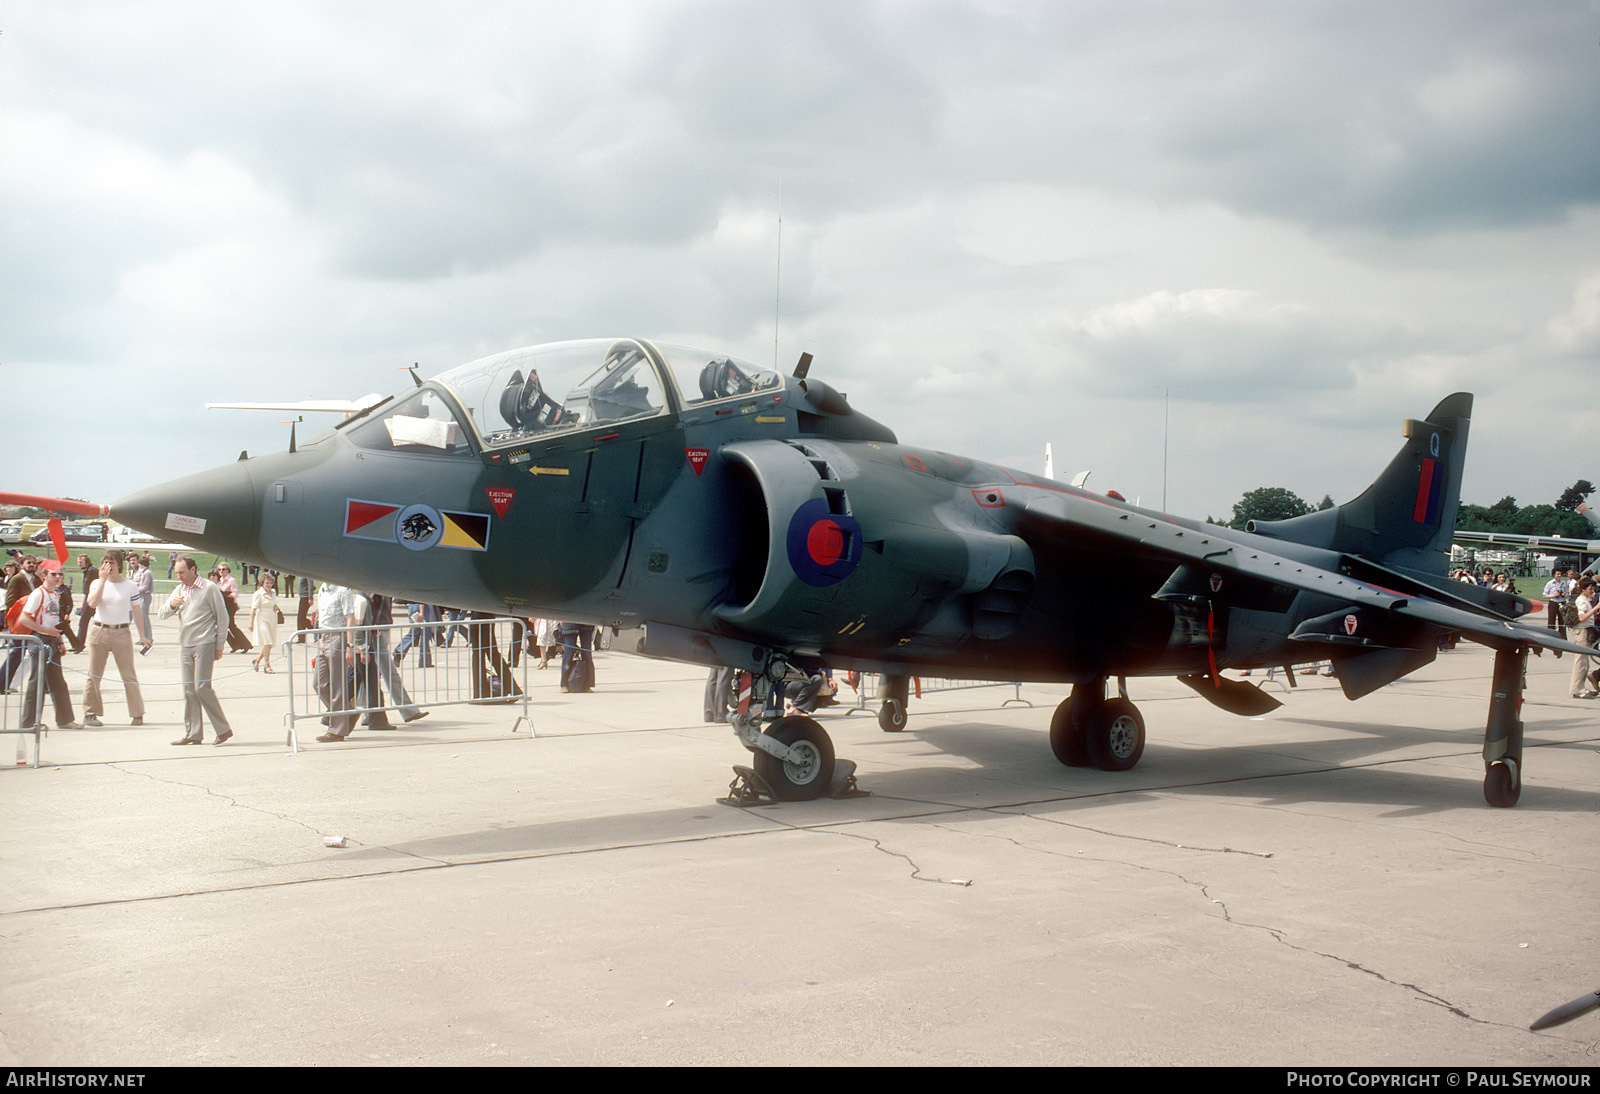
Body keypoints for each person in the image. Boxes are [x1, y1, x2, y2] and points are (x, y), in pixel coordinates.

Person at [159, 556, 234, 745]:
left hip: (205, 643)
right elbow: (162, 614)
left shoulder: (209, 588)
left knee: (201, 687)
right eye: (177, 573)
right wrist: (172, 605)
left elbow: (222, 618)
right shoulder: (180, 590)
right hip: (186, 644)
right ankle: (193, 733)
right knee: (189, 690)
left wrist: (219, 646)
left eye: (182, 572)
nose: (179, 576)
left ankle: (223, 729)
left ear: (193, 570)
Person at [81, 549, 145, 727]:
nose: (108, 565)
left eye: (112, 562)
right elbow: (92, 603)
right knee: (93, 674)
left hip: (121, 632)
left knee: (128, 674)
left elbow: (137, 611)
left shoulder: (130, 585)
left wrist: (143, 635)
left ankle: (137, 713)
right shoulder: (96, 583)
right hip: (99, 630)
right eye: (105, 561)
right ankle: (90, 712)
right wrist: (102, 579)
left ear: (119, 564)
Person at [16, 561, 83, 731]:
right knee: (36, 683)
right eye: (54, 574)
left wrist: (59, 640)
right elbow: (24, 619)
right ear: (44, 576)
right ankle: (28, 723)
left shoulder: (54, 595)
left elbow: (55, 620)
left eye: (60, 574)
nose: (58, 577)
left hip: (52, 641)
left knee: (58, 682)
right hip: (40, 641)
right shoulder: (38, 594)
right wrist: (45, 631)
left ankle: (65, 720)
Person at [357, 591, 427, 728]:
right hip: (378, 630)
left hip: (380, 628)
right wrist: (374, 627)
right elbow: (371, 606)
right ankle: (408, 710)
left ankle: (368, 713)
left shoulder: (379, 583)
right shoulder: (376, 585)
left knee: (373, 674)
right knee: (388, 673)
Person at [311, 581, 357, 741]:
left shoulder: (343, 590)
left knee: (338, 686)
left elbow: (350, 618)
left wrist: (350, 646)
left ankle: (337, 730)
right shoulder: (322, 590)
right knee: (319, 683)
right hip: (323, 636)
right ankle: (346, 712)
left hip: (338, 637)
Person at [1568, 577, 1599, 700]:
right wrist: (1596, 608)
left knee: (1584, 662)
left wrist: (1595, 613)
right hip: (1581, 632)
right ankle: (1577, 689)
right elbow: (1581, 618)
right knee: (1581, 661)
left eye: (1593, 588)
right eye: (1590, 588)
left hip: (1586, 630)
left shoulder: (1586, 599)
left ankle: (1580, 687)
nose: (1592, 590)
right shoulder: (1581, 600)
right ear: (1583, 589)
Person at [215, 563, 253, 653]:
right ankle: (235, 645)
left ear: (228, 570)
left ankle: (246, 645)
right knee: (222, 626)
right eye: (219, 569)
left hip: (230, 605)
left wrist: (225, 595)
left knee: (231, 625)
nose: (221, 571)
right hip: (223, 604)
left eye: (223, 569)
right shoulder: (220, 580)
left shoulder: (231, 580)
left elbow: (235, 593)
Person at [247, 575, 280, 672]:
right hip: (262, 619)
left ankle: (257, 659)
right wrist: (251, 622)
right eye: (267, 583)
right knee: (267, 641)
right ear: (262, 583)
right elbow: (253, 609)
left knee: (269, 644)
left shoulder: (273, 592)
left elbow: (274, 603)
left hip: (272, 618)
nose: (269, 585)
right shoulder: (258, 594)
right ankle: (267, 665)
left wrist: (276, 607)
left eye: (270, 583)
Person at [128, 554, 154, 650]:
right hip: (138, 596)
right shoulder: (139, 571)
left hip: (144, 596)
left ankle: (149, 638)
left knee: (144, 618)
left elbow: (145, 587)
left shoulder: (147, 573)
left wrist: (134, 589)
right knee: (138, 618)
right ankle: (142, 637)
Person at [73, 553, 99, 652]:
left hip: (92, 600)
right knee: (83, 622)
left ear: (86, 562)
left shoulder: (92, 571)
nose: (79, 564)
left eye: (81, 562)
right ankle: (79, 644)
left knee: (84, 622)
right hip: (88, 600)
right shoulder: (86, 571)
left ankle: (79, 645)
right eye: (78, 562)